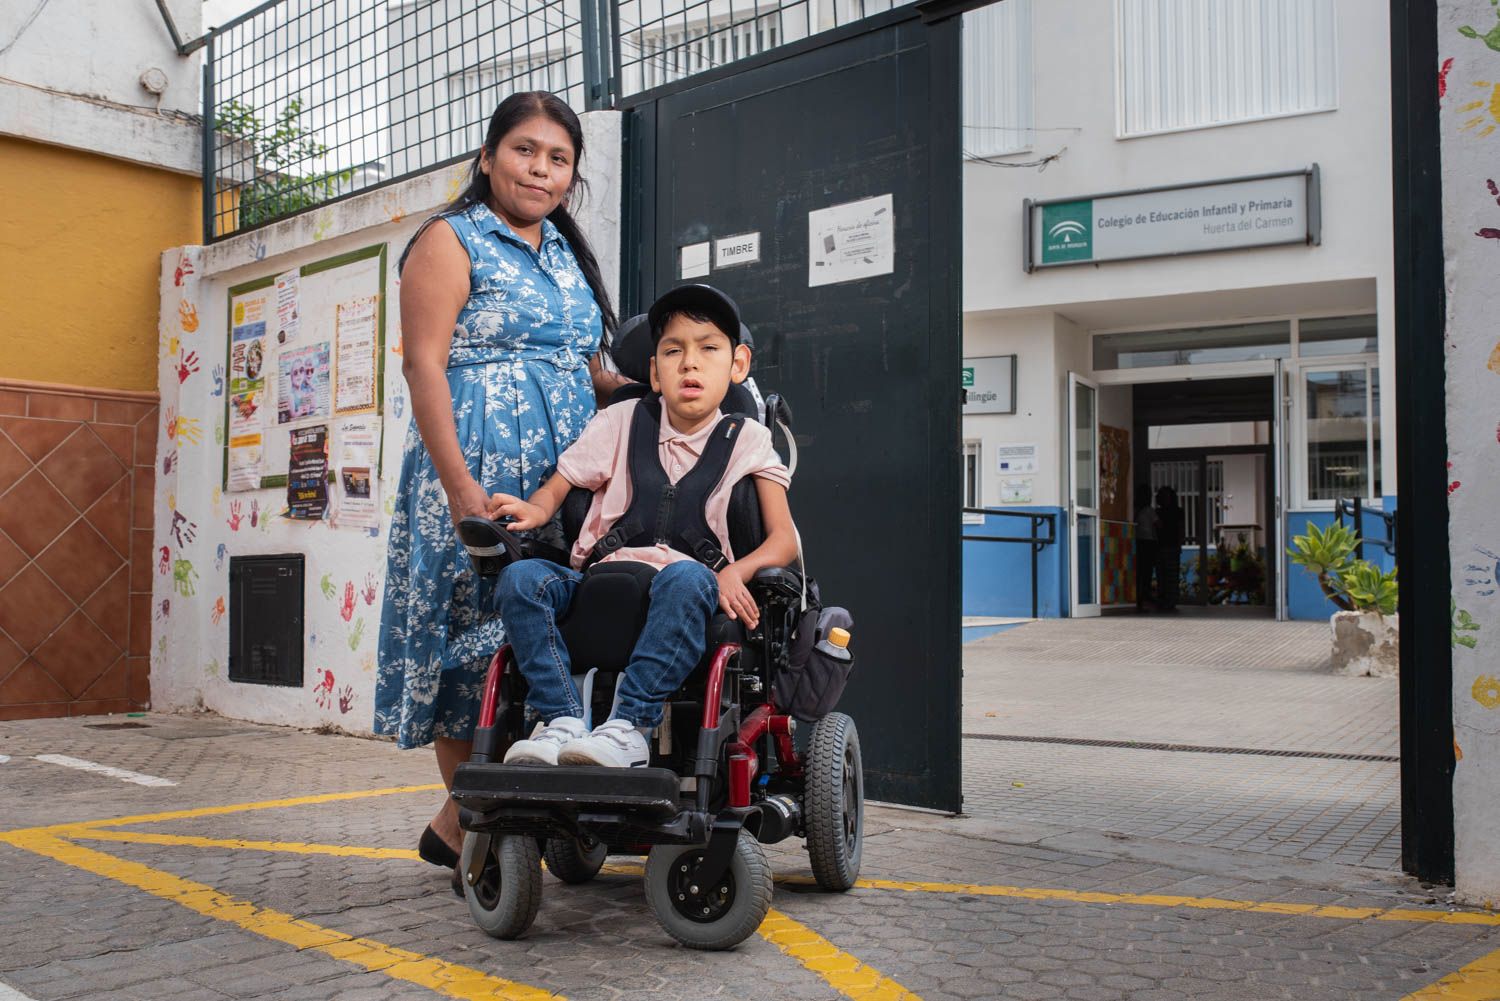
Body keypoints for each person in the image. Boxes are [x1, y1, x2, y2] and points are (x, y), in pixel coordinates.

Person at [373, 92, 633, 881]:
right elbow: (424, 364)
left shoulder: (566, 253)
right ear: (488, 157)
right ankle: (476, 826)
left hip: (560, 480)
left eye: (558, 159)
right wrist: (458, 489)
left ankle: (463, 824)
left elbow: (592, 370)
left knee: (537, 637)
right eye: (525, 150)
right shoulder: (451, 240)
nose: (541, 169)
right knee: (469, 648)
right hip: (476, 467)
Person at [486, 284, 799, 768]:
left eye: (708, 349)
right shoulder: (622, 420)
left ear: (737, 365)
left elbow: (785, 539)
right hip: (600, 579)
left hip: (686, 583)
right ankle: (562, 719)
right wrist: (538, 510)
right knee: (520, 579)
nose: (689, 363)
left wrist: (737, 571)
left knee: (690, 576)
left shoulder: (748, 438)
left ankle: (627, 726)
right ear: (654, 372)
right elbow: (563, 481)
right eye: (673, 351)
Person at [1154, 485, 1184, 612]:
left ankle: (1171, 601)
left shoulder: (1177, 512)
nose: (1165, 499)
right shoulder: (1157, 512)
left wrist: (1179, 544)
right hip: (1160, 546)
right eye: (1163, 496)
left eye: (1167, 496)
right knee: (1161, 576)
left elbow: (1180, 529)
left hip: (1171, 546)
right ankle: (1163, 600)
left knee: (1171, 575)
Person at [1133, 483, 1159, 612]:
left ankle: (1138, 601)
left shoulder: (1135, 510)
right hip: (1148, 543)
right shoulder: (1149, 510)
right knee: (1146, 574)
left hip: (1138, 543)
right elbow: (1159, 525)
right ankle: (1143, 599)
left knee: (1139, 573)